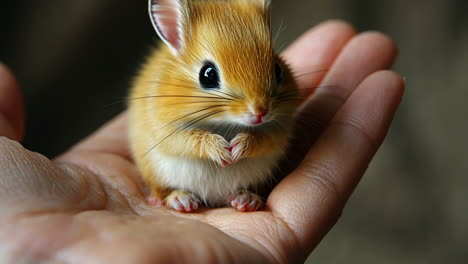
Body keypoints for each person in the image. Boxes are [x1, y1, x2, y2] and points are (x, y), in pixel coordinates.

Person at [0, 21, 404, 263]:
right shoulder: (170, 88)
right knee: (161, 153)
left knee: (270, 152)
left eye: (273, 73)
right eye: (212, 80)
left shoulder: (271, 105)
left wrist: (255, 143)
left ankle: (245, 192)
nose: (256, 108)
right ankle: (169, 191)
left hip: (245, 175)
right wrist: (202, 144)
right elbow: (168, 137)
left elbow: (275, 133)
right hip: (174, 165)